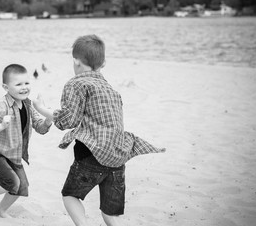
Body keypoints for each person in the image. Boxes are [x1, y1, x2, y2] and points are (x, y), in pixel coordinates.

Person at [33, 34, 166, 226]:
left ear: (75, 62)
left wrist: (41, 109)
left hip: (91, 154)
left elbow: (68, 120)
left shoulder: (76, 83)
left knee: (70, 195)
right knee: (109, 213)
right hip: (118, 155)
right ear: (102, 64)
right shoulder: (111, 89)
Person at [0, 64, 52, 218]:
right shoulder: (1, 106)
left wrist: (48, 115)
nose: (24, 88)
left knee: (22, 187)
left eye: (26, 83)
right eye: (18, 84)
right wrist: (1, 126)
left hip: (13, 154)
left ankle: (1, 210)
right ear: (6, 87)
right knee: (12, 182)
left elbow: (41, 128)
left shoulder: (28, 104)